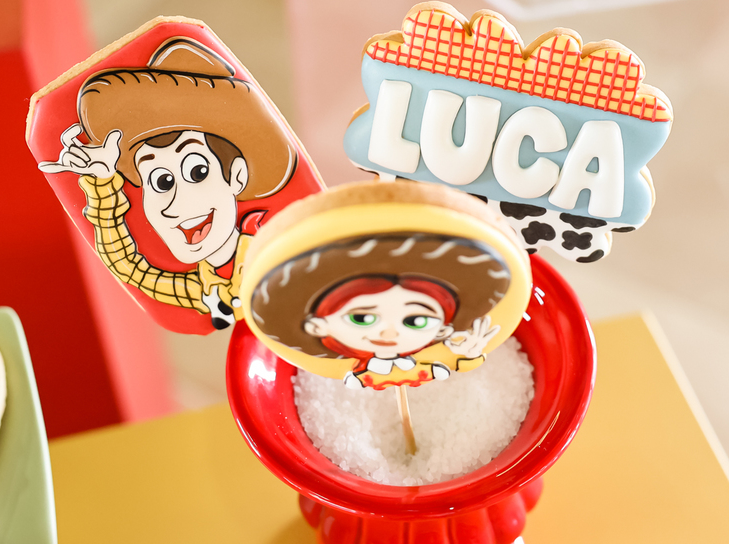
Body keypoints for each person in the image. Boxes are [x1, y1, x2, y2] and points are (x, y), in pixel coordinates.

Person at [39, 36, 299, 330]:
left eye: (198, 172)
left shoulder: (278, 250)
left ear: (237, 176)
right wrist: (102, 183)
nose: (178, 204)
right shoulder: (201, 290)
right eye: (161, 182)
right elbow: (129, 268)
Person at [249, 234, 510, 390]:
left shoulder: (430, 362)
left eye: (416, 320)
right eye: (362, 318)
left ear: (443, 331)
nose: (388, 333)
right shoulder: (363, 374)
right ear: (318, 326)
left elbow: (457, 362)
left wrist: (470, 353)